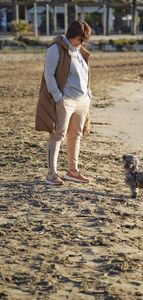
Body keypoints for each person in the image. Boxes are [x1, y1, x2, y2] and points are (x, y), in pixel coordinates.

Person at [35, 20, 92, 185]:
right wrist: (58, 97)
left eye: (83, 41)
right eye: (80, 39)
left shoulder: (79, 50)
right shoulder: (56, 48)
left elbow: (84, 74)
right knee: (57, 135)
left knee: (76, 135)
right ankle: (51, 174)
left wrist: (88, 94)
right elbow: (49, 75)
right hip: (65, 100)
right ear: (72, 35)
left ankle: (72, 171)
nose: (81, 43)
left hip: (82, 100)